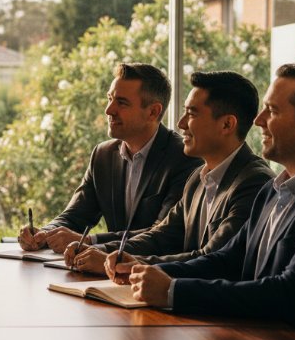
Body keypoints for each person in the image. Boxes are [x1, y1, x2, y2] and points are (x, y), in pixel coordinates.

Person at [109, 63, 295, 340]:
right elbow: (228, 260)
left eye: (273, 111)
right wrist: (147, 272)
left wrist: (172, 291)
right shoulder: (275, 189)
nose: (258, 120)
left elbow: (290, 294)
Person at [65, 71, 273, 274]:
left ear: (227, 124)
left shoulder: (254, 182)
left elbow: (213, 258)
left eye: (191, 114)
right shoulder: (198, 179)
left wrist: (131, 265)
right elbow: (161, 236)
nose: (181, 123)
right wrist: (100, 251)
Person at [18, 63, 202, 253]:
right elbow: (75, 216)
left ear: (153, 112)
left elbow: (161, 234)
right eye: (110, 99)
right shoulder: (103, 155)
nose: (109, 110)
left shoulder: (185, 157)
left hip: (153, 274)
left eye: (121, 103)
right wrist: (44, 234)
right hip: (105, 273)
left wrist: (91, 241)